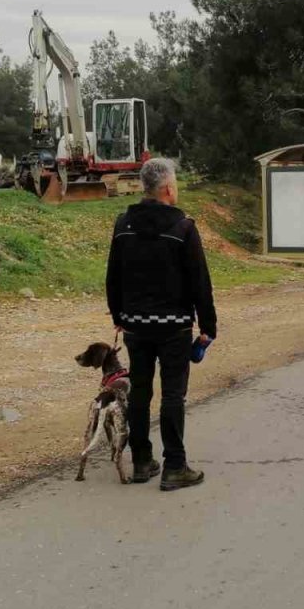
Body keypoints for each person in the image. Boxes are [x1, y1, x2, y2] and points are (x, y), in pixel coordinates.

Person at [107, 158, 217, 491]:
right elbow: (199, 281)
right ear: (168, 188)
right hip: (174, 327)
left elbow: (113, 276)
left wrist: (118, 316)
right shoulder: (183, 227)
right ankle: (175, 466)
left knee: (140, 393)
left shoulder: (123, 224)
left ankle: (142, 461)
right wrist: (208, 325)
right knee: (172, 395)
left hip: (135, 326)